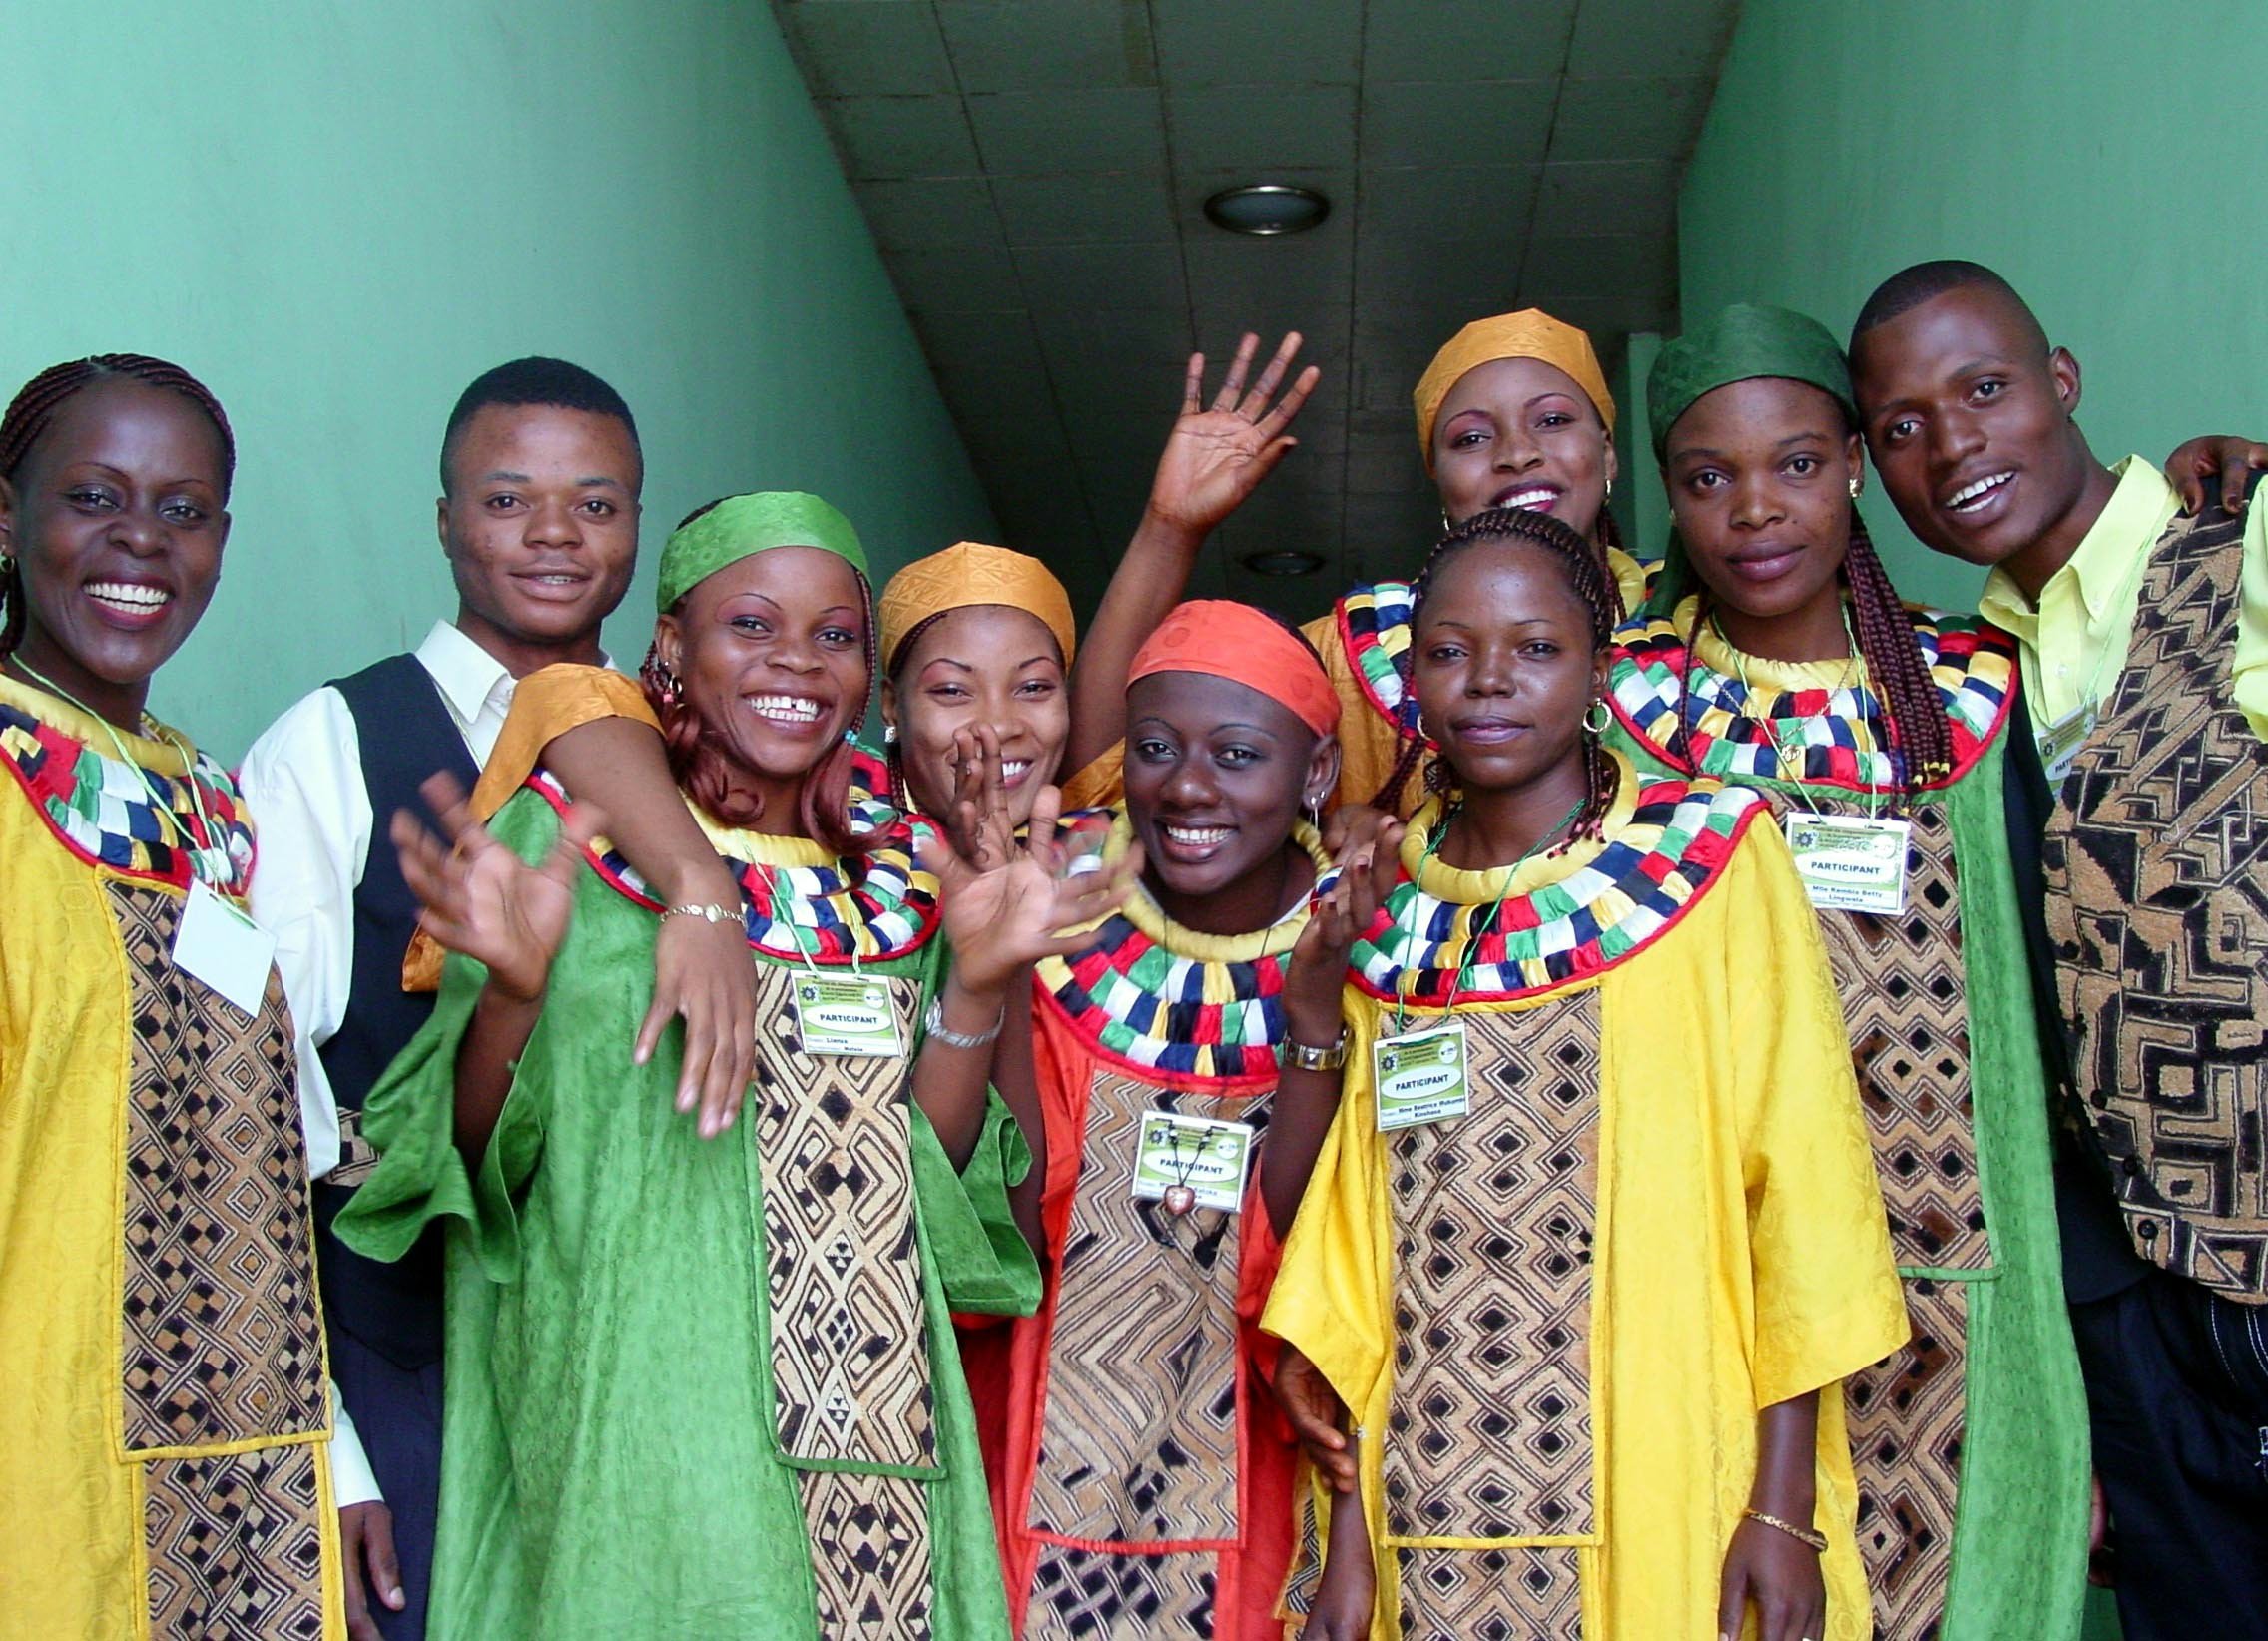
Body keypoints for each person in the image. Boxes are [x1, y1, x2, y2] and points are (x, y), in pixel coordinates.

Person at [332, 492, 1126, 1638]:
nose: (794, 662)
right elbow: (468, 1166)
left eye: (834, 636)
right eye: (750, 625)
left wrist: (976, 985)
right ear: (669, 645)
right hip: (643, 1438)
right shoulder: (570, 842)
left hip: (872, 1447)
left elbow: (931, 1187)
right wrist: (510, 994)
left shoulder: (904, 879)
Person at [1263, 506, 1909, 1640]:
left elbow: (1800, 1187)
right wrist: (1349, 1542)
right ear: (1410, 677)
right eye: (1449, 652)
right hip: (1430, 1509)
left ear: (1601, 665)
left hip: (1670, 1480)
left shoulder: (1710, 856)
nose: (1488, 682)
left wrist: (1783, 1505)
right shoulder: (1394, 908)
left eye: (1537, 648)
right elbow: (1358, 1255)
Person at [1610, 303, 2087, 1639]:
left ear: (1859, 468)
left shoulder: (1973, 693)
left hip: (1956, 1302)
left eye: (1800, 464)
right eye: (1709, 479)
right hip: (1717, 1305)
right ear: (1669, 498)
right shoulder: (1619, 719)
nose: (1756, 510)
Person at [237, 356, 706, 1639]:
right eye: (509, 500)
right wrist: (324, 1447)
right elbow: (255, 1124)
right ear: (444, 518)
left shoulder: (694, 766)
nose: (555, 535)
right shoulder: (335, 746)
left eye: (597, 505)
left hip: (620, 1363)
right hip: (407, 1359)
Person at [1849, 260, 2268, 1641]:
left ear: (2064, 382)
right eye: (1902, 425)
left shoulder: (2244, 549)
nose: (1953, 445)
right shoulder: (1972, 682)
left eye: (1985, 388)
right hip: (2159, 1332)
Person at [0, 355, 345, 1635]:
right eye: (93, 496)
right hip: (42, 1437)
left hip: (244, 1453)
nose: (140, 539)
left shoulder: (209, 806)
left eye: (183, 510)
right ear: (6, 518)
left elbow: (265, 1134)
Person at [992, 600, 1393, 1639]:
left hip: (1261, 1459)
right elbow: (1008, 1202)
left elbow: (1335, 1244)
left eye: (1237, 753)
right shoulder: (1053, 913)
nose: (1188, 786)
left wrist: (1311, 1024)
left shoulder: (1373, 938)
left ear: (1313, 776)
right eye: (1158, 749)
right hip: (1050, 1458)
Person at [1067, 312, 1644, 820]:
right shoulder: (1361, 652)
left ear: (1609, 449)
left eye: (1552, 421)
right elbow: (1103, 775)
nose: (1517, 454)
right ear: (1436, 477)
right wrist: (1168, 531)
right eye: (1470, 438)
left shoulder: (1688, 630)